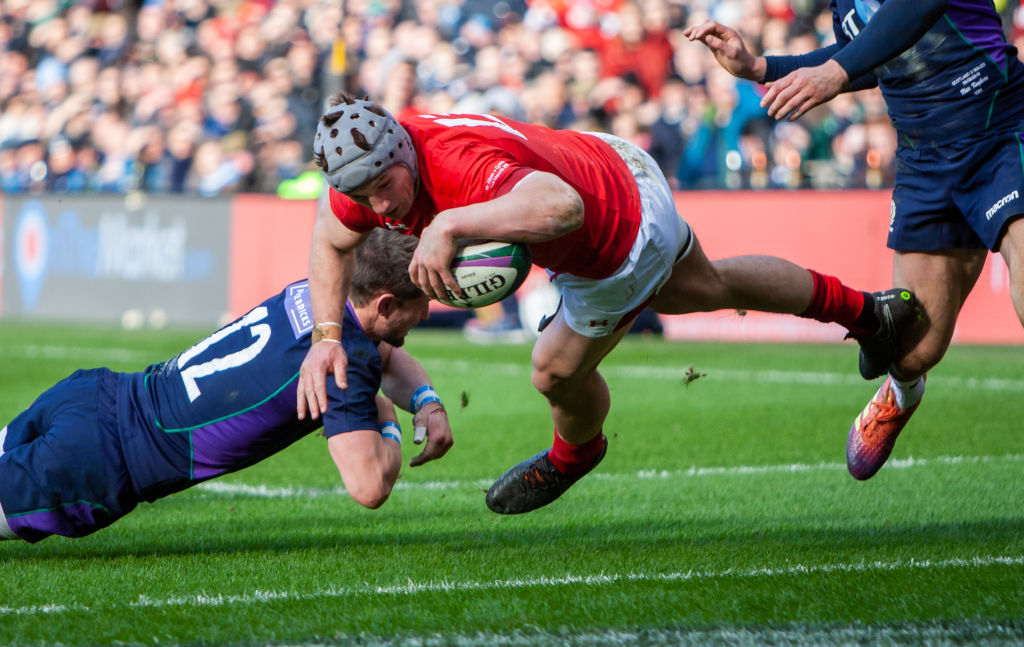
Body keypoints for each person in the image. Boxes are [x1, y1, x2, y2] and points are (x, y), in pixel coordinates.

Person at [298, 93, 917, 515]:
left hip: (614, 228)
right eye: (364, 196)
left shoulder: (456, 164)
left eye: (385, 189)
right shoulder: (367, 168)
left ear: (403, 153)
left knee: (553, 368)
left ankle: (574, 454)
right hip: (613, 163)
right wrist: (328, 335)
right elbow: (329, 240)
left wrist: (452, 223)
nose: (378, 208)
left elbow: (559, 206)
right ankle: (869, 313)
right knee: (711, 287)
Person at [685, 0, 1024, 481]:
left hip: (1003, 128)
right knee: (914, 349)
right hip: (924, 161)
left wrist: (837, 72)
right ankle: (900, 393)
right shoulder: (842, 5)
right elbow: (866, 52)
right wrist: (759, 67)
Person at [0, 231, 453, 543]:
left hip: (90, 394)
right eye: (422, 304)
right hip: (96, 459)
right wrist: (389, 421)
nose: (427, 315)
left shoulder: (320, 293)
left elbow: (386, 357)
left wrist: (426, 402)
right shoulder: (347, 362)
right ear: (386, 303)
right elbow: (369, 485)